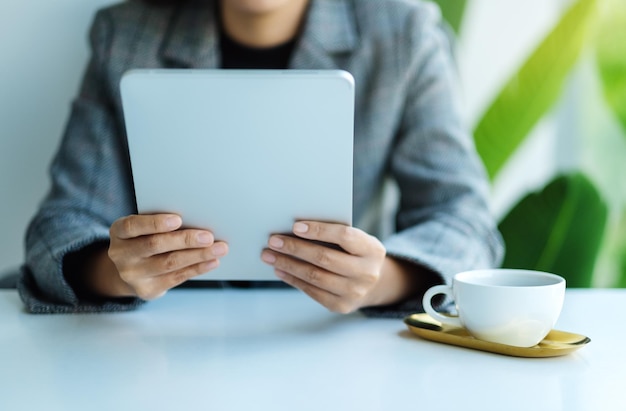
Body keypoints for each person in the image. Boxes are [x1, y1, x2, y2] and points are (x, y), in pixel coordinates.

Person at [18, 0, 504, 316]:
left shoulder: (402, 33)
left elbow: (465, 221)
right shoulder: (125, 34)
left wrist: (380, 281)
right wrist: (117, 271)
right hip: (163, 342)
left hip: (333, 344)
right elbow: (60, 225)